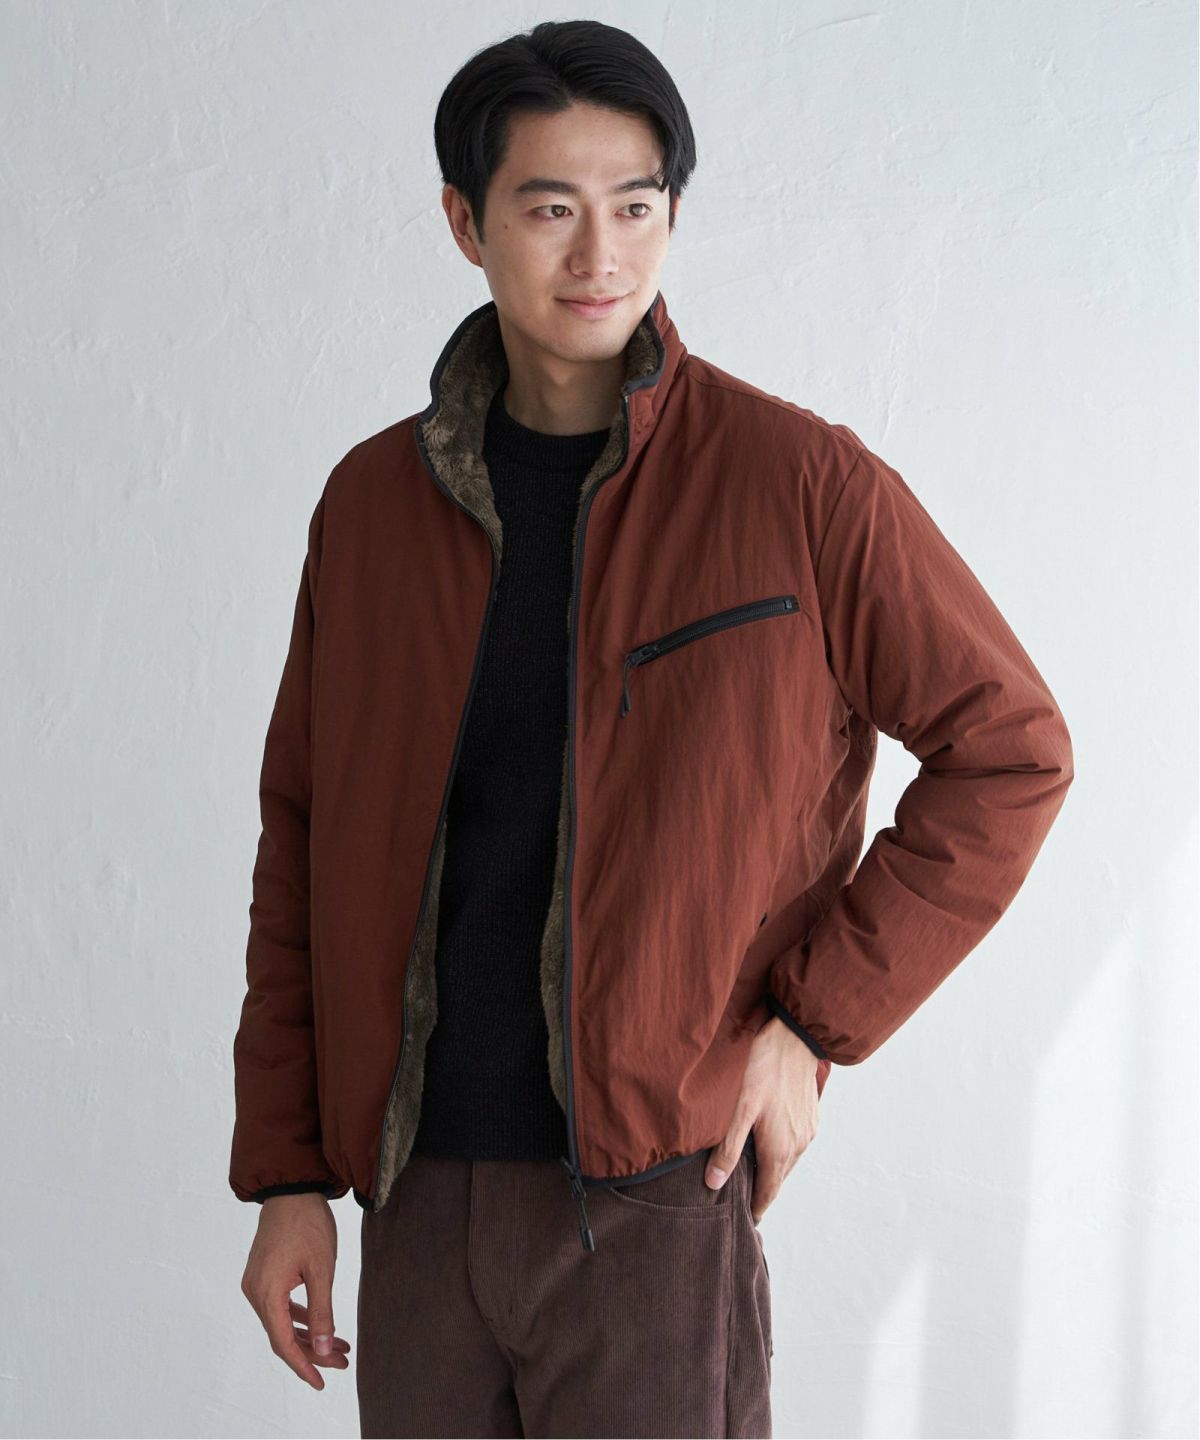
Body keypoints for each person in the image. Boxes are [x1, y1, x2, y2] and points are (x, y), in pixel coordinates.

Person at [230, 19, 1074, 1439]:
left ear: (674, 215)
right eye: (549, 208)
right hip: (414, 1195)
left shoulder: (797, 484)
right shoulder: (370, 508)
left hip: (657, 1197)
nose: (599, 255)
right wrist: (289, 1175)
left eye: (635, 207)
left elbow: (1012, 750)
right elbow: (301, 844)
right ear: (465, 223)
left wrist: (811, 1024)